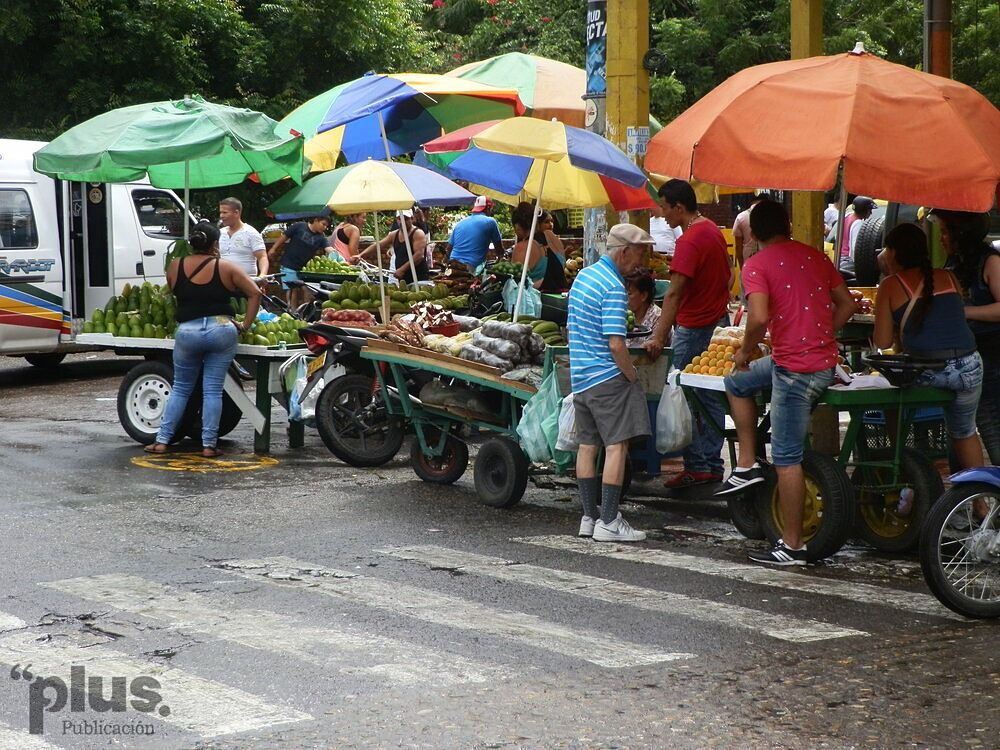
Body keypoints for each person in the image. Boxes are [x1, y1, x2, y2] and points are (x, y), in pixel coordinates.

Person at [717, 200, 856, 565]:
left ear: (754, 233)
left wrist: (746, 350)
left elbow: (759, 316)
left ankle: (792, 545)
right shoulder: (814, 256)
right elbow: (846, 304)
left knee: (787, 458)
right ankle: (746, 462)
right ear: (788, 225)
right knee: (737, 384)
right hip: (819, 362)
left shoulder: (756, 265)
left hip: (795, 371)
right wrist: (823, 332)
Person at [567, 223, 655, 542]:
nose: (641, 260)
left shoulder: (584, 277)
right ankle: (608, 521)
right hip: (607, 377)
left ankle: (589, 518)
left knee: (588, 446)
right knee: (617, 445)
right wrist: (632, 375)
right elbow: (616, 344)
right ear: (623, 252)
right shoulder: (614, 288)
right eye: (639, 252)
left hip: (581, 377)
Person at [143, 221, 262, 458]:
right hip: (221, 329)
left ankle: (162, 441)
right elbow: (255, 293)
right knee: (212, 391)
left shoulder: (175, 266)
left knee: (180, 389)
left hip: (188, 331)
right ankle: (208, 445)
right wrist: (245, 325)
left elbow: (175, 292)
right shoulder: (226, 268)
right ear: (215, 244)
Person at [873, 222, 984, 469]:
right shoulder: (948, 277)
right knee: (965, 432)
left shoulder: (890, 285)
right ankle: (979, 502)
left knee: (888, 400)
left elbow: (882, 342)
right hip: (970, 366)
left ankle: (903, 467)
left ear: (892, 253)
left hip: (931, 370)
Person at [644, 179, 732, 488]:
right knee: (709, 393)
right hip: (716, 320)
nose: (662, 214)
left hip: (695, 326)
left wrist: (658, 334)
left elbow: (674, 294)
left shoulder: (690, 240)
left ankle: (699, 463)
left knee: (689, 393)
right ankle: (711, 462)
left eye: (665, 208)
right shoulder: (712, 231)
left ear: (679, 207)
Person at [938, 210, 1000, 464]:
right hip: (960, 357)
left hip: (991, 356)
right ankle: (968, 497)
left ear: (961, 233)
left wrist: (963, 312)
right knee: (959, 430)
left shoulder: (990, 261)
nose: (941, 238)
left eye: (945, 231)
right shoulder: (953, 262)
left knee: (991, 426)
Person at [268, 216, 333, 309]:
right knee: (292, 291)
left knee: (308, 290)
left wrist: (338, 255)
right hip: (289, 264)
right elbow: (284, 237)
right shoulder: (299, 226)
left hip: (304, 269)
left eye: (326, 226)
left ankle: (306, 314)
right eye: (323, 224)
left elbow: (328, 248)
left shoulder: (321, 237)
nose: (325, 227)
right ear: (315, 221)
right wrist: (273, 248)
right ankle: (292, 313)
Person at [359, 209, 429, 283]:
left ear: (412, 219)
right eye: (400, 219)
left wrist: (402, 269)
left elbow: (419, 255)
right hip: (402, 277)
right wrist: (361, 255)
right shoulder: (394, 234)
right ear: (397, 220)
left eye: (406, 219)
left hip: (418, 277)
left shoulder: (418, 233)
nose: (403, 222)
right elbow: (378, 245)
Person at [510, 202, 566, 292]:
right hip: (560, 297)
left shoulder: (522, 248)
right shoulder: (553, 238)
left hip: (537, 301)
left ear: (517, 226)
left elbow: (515, 283)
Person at [444, 196, 503, 272]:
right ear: (488, 208)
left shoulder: (460, 223)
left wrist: (444, 263)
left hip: (452, 265)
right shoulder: (490, 222)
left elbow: (449, 248)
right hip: (471, 268)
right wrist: (502, 257)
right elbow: (499, 249)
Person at [217, 197, 267, 277]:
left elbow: (262, 257)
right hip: (224, 283)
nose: (221, 216)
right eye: (220, 213)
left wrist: (263, 275)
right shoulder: (219, 233)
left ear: (236, 213)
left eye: (225, 212)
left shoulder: (251, 233)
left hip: (247, 283)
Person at [840, 196, 874, 274]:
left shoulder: (847, 216)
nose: (870, 213)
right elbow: (855, 248)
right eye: (869, 210)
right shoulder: (858, 223)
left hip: (840, 259)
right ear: (864, 210)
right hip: (848, 261)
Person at [732, 193, 768, 269]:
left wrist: (742, 267)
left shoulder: (741, 217)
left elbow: (738, 247)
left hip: (748, 261)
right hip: (768, 261)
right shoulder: (773, 216)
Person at [626, 273, 661, 346]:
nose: (624, 298)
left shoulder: (658, 318)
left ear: (643, 296)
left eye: (629, 294)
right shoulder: (625, 315)